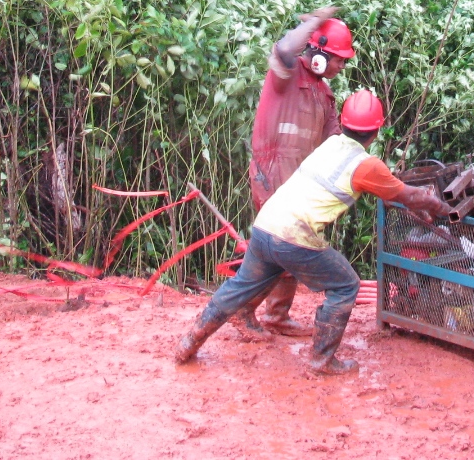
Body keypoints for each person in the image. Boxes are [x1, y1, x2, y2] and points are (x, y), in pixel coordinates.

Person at [175, 90, 451, 373]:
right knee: (345, 286)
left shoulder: (331, 145)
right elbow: (411, 197)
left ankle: (189, 342)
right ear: (377, 131)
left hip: (266, 225)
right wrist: (443, 208)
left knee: (240, 286)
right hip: (294, 237)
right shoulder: (367, 165)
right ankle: (322, 361)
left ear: (343, 124)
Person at [239, 6, 355, 337]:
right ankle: (244, 309)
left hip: (298, 178)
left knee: (289, 245)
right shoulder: (286, 76)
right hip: (272, 170)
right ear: (318, 54)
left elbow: (336, 141)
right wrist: (315, 22)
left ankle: (276, 315)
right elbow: (285, 49)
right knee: (283, 244)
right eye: (338, 59)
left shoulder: (323, 92)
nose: (342, 66)